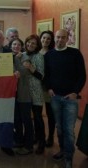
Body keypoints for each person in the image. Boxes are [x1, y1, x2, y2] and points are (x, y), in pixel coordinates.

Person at [44, 29, 86, 168]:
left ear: (67, 38)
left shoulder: (75, 53)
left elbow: (82, 76)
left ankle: (68, 157)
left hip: (70, 99)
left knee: (68, 129)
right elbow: (47, 74)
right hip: (55, 97)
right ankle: (62, 150)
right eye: (57, 37)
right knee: (60, 128)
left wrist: (75, 92)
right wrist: (49, 88)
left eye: (63, 37)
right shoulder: (49, 55)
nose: (59, 40)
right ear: (54, 38)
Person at [11, 38, 34, 155]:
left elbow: (23, 72)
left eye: (18, 44)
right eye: (14, 44)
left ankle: (29, 145)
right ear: (11, 46)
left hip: (24, 94)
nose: (16, 46)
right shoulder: (8, 57)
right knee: (17, 120)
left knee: (26, 120)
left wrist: (17, 59)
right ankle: (19, 141)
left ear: (22, 46)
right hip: (13, 94)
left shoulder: (25, 57)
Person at [39, 30, 55, 147]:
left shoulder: (53, 53)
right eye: (44, 38)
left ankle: (50, 137)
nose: (46, 40)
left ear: (51, 41)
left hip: (48, 87)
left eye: (48, 38)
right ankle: (39, 136)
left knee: (50, 114)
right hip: (36, 86)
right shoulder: (35, 52)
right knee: (37, 114)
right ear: (40, 38)